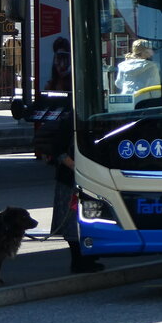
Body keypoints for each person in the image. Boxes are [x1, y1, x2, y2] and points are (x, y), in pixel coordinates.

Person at [41, 106, 105, 274]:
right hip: (70, 180)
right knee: (72, 223)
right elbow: (58, 150)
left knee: (90, 219)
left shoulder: (97, 116)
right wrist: (77, 168)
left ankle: (88, 257)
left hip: (91, 177)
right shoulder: (71, 120)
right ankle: (78, 261)